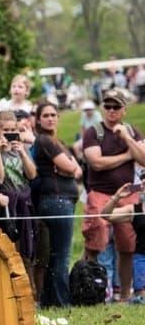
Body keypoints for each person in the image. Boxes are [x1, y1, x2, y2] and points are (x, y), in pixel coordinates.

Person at [81, 89, 145, 302]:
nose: (111, 110)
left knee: (128, 245)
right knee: (95, 241)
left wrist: (127, 138)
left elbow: (144, 160)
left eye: (116, 106)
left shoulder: (132, 132)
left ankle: (124, 296)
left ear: (124, 110)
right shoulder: (93, 132)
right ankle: (89, 291)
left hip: (129, 193)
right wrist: (127, 155)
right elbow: (96, 163)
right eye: (107, 106)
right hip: (99, 192)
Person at [34, 103, 82, 307]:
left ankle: (49, 302)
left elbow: (78, 170)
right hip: (56, 201)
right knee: (61, 255)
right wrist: (69, 169)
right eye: (45, 115)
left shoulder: (58, 142)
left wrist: (69, 169)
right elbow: (71, 167)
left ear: (58, 117)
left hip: (61, 201)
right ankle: (63, 303)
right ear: (38, 119)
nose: (50, 118)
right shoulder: (44, 140)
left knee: (54, 256)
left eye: (53, 114)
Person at [0, 110, 38, 265]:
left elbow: (32, 175)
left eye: (13, 129)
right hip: (6, 205)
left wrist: (22, 153)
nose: (9, 133)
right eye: (5, 130)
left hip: (24, 202)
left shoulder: (23, 148)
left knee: (26, 250)